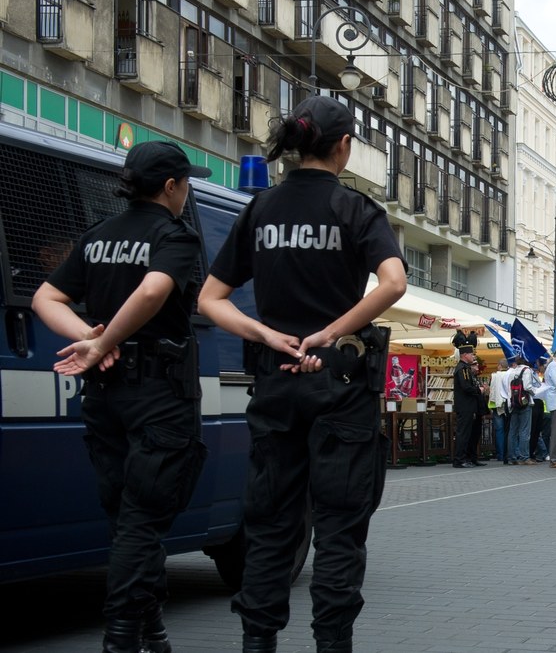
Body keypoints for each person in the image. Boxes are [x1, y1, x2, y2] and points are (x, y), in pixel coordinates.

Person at [198, 94, 409, 653]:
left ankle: (257, 642)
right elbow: (392, 283)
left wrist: (265, 333)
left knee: (270, 526)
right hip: (339, 386)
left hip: (275, 382)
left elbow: (211, 300)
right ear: (343, 146)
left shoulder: (260, 208)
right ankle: (331, 645)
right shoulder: (355, 210)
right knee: (339, 528)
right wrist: (331, 331)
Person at [32, 141, 211, 653]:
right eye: (186, 184)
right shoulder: (174, 235)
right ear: (172, 186)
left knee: (128, 519)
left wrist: (92, 341)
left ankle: (152, 630)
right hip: (158, 393)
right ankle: (120, 639)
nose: (187, 193)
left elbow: (47, 296)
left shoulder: (97, 236)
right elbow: (155, 292)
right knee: (143, 518)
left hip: (105, 395)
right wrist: (100, 343)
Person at [451, 346, 487, 468]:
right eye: (471, 354)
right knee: (464, 433)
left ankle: (471, 457)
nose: (473, 356)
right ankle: (460, 459)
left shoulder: (465, 368)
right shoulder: (462, 369)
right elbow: (466, 387)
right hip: (465, 406)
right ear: (465, 355)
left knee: (471, 433)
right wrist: (479, 390)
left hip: (470, 406)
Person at [506, 356, 538, 465]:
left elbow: (508, 389)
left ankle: (512, 457)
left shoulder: (511, 371)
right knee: (524, 430)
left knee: (513, 431)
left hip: (514, 403)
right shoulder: (526, 370)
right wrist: (535, 392)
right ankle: (525, 457)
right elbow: (528, 386)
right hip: (524, 403)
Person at [487, 358, 511, 464]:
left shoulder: (493, 376)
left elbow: (490, 390)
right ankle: (508, 453)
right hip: (508, 405)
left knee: (499, 431)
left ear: (499, 366)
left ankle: (500, 454)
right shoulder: (510, 375)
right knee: (509, 430)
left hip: (496, 405)